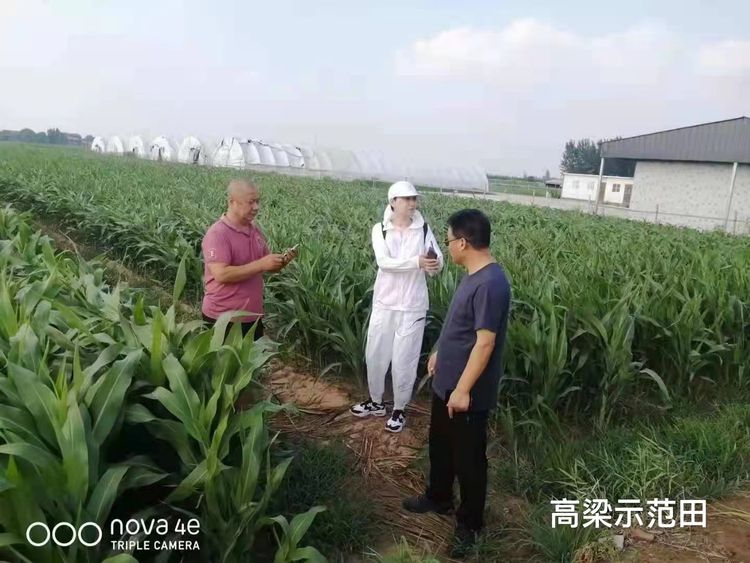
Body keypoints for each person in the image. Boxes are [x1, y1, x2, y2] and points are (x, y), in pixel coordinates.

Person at [401, 209, 511, 558]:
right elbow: (458, 325)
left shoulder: (491, 284)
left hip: (466, 391)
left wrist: (463, 390)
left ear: (463, 242)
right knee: (441, 445)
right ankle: (439, 497)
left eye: (448, 240)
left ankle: (470, 524)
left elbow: (485, 343)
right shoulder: (473, 275)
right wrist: (438, 350)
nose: (447, 247)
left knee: (469, 460)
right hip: (446, 381)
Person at [350, 181, 443, 432]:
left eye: (414, 199)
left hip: (413, 306)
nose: (413, 203)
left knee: (405, 359)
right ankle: (375, 401)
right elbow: (384, 262)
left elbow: (437, 259)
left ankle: (399, 409)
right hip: (385, 303)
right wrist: (417, 262)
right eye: (407, 199)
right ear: (393, 201)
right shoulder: (380, 229)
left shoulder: (424, 229)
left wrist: (434, 265)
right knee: (375, 354)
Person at [201, 179, 296, 339]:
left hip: (252, 317)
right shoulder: (218, 234)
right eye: (251, 202)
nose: (256, 207)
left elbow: (264, 265)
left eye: (258, 201)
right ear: (232, 202)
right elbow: (221, 274)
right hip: (223, 319)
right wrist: (262, 264)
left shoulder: (254, 230)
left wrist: (280, 262)